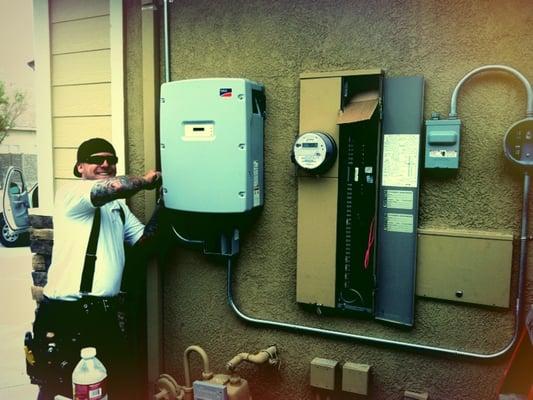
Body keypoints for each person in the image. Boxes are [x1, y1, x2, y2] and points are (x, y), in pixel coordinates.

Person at [31, 138, 162, 399]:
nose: (105, 164)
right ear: (80, 167)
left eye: (111, 160)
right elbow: (114, 187)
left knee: (119, 387)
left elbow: (145, 241)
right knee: (62, 389)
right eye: (96, 159)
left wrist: (164, 204)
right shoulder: (70, 193)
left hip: (102, 317)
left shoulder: (118, 208)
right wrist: (148, 182)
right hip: (68, 313)